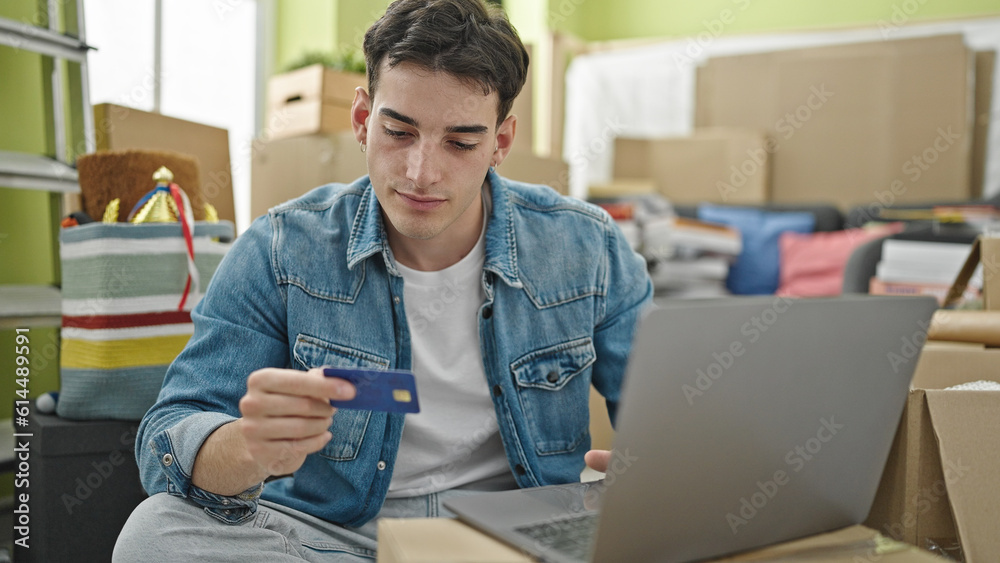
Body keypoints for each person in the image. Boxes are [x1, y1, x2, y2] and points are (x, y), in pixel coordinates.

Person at [114, 0, 652, 560]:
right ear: (362, 120)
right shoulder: (280, 248)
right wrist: (247, 446)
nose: (422, 172)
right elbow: (165, 443)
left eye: (461, 143)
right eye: (399, 132)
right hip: (337, 539)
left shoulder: (587, 247)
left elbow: (670, 417)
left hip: (515, 537)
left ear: (502, 142)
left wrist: (659, 474)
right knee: (155, 533)